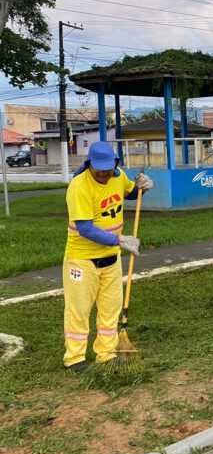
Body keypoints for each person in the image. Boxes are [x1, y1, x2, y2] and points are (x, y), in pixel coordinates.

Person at [63, 141, 154, 372]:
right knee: (79, 311)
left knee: (110, 309)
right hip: (82, 260)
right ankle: (74, 358)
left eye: (107, 168)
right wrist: (120, 240)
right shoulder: (79, 186)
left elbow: (130, 192)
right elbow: (85, 228)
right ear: (89, 164)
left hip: (111, 259)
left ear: (115, 163)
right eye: (98, 169)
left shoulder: (117, 175)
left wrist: (142, 187)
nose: (103, 173)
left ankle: (106, 353)